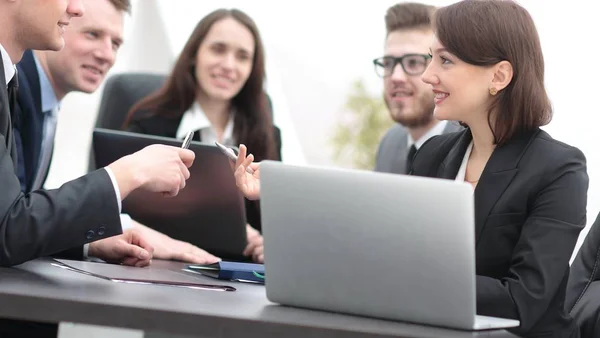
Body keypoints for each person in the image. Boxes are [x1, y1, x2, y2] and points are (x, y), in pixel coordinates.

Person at [232, 1, 588, 336]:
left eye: (445, 61)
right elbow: (377, 236)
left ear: (499, 76)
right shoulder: (435, 153)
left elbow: (523, 301)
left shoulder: (558, 168)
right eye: (431, 59)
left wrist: (404, 277)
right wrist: (282, 195)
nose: (429, 75)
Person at [13, 0, 219, 264]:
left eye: (115, 44)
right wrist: (131, 171)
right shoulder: (13, 85)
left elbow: (23, 212)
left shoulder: (45, 104)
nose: (106, 54)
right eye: (93, 35)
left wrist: (91, 242)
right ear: (61, 22)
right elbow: (12, 221)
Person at [123, 8, 279, 263]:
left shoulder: (267, 136)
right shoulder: (148, 123)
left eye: (242, 57)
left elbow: (274, 221)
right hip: (159, 263)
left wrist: (269, 244)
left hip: (237, 277)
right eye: (218, 49)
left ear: (252, 68)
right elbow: (122, 208)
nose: (229, 65)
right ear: (195, 54)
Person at [373, 2, 461, 175]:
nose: (396, 77)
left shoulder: (473, 148)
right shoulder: (389, 144)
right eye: (388, 63)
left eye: (413, 62)